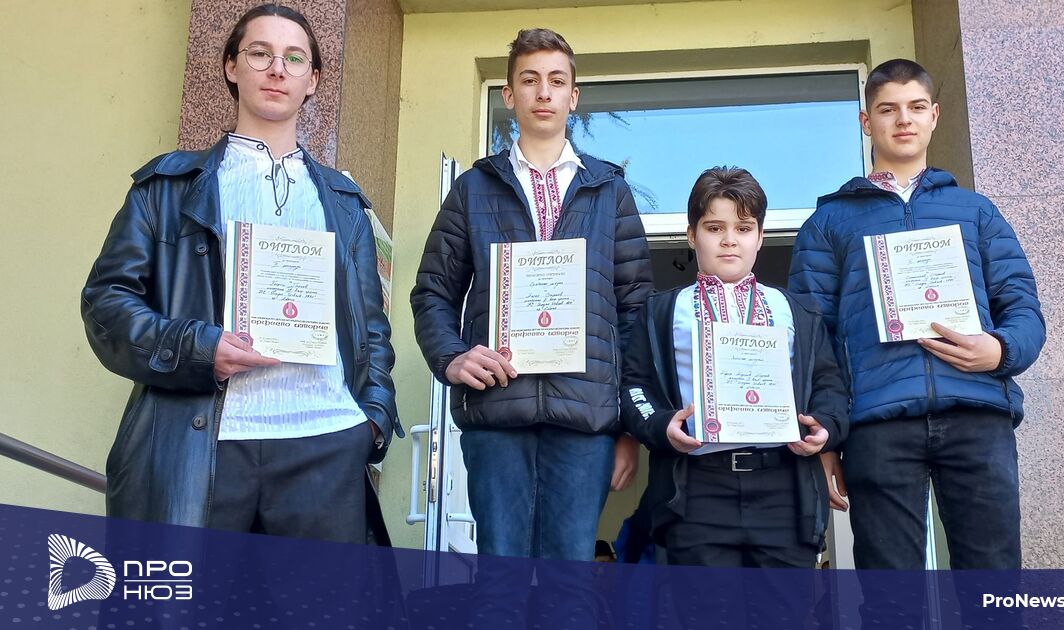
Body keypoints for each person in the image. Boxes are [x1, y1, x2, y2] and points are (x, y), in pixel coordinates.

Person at [81, 3, 397, 545]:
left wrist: (371, 422)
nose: (277, 69)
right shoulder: (166, 188)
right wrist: (199, 348)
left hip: (326, 443)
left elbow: (372, 327)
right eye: (260, 53)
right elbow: (106, 303)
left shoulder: (345, 205)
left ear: (313, 80)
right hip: (207, 445)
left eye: (294, 58)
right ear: (231, 66)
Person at [409, 26, 652, 625]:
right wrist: (453, 357)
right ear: (509, 95)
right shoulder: (473, 189)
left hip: (585, 421)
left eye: (557, 81)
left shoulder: (610, 190)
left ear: (574, 96)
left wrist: (630, 428)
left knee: (572, 590)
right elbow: (432, 293)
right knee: (500, 588)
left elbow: (634, 311)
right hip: (497, 413)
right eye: (529, 80)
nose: (544, 92)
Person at [789, 58, 1045, 571]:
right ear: (867, 122)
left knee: (993, 586)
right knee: (890, 596)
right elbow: (812, 339)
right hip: (877, 423)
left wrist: (999, 350)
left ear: (934, 116)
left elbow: (1022, 306)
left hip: (976, 414)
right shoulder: (829, 223)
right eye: (888, 109)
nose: (903, 119)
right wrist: (827, 437)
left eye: (916, 107)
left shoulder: (977, 212)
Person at [620, 167, 848, 627]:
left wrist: (825, 427)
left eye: (743, 228)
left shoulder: (796, 310)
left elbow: (830, 384)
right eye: (714, 228)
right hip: (696, 489)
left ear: (760, 237)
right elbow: (633, 385)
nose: (729, 240)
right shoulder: (662, 311)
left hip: (783, 487)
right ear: (692, 235)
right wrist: (660, 425)